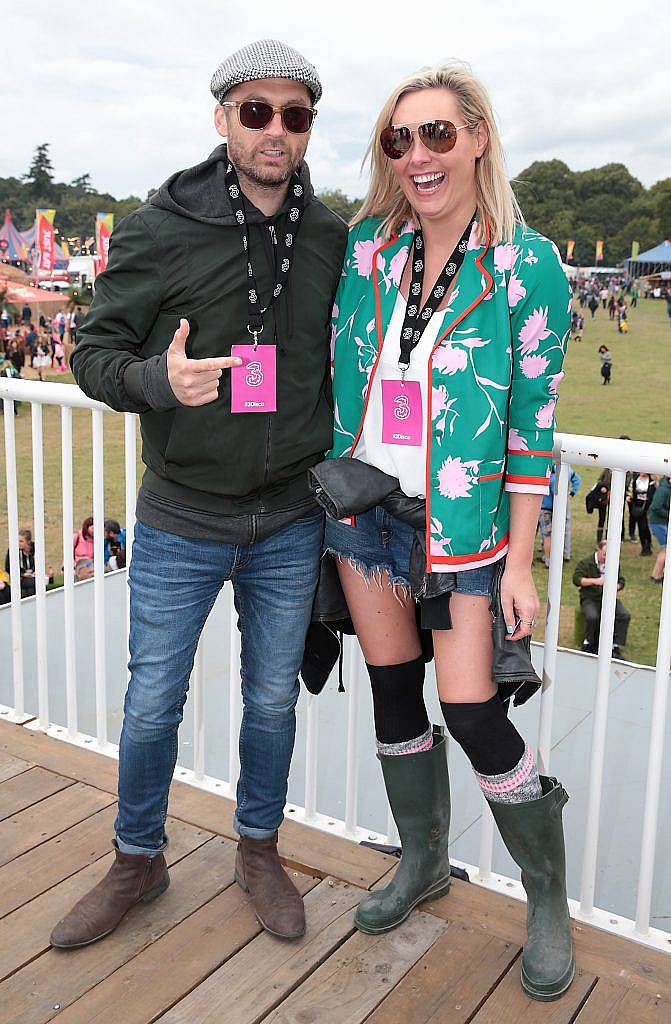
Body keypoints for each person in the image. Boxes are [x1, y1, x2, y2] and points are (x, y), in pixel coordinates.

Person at [52, 39, 346, 950]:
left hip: (290, 517)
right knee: (151, 703)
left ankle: (258, 848)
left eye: (293, 115)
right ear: (221, 117)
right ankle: (137, 857)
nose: (275, 131)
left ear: (306, 130)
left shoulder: (332, 236)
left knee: (269, 701)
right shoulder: (159, 227)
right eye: (255, 111)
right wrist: (154, 383)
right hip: (183, 514)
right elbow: (90, 352)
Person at [323, 62, 573, 1001]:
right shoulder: (366, 251)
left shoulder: (526, 262)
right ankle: (422, 862)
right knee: (395, 699)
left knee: (472, 712)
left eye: (435, 134)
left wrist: (520, 556)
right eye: (398, 139)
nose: (416, 156)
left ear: (475, 137)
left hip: (460, 529)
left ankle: (544, 899)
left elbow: (531, 424)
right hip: (366, 515)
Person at [573, 541, 630, 658]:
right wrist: (595, 581)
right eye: (604, 555)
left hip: (608, 598)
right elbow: (577, 580)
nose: (606, 558)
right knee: (592, 616)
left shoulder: (613, 563)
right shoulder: (586, 563)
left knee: (624, 615)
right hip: (590, 598)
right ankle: (588, 643)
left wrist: (616, 586)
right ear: (598, 551)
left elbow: (621, 581)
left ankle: (614, 645)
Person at [626, 471, 655, 555]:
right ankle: (644, 547)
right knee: (640, 527)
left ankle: (648, 546)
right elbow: (630, 491)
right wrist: (628, 497)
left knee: (644, 527)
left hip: (646, 507)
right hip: (636, 506)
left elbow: (653, 495)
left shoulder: (651, 482)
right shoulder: (635, 479)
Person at [648, 474, 670, 583]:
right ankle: (656, 576)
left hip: (662, 523)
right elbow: (655, 507)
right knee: (666, 549)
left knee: (665, 549)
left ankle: (657, 574)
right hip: (658, 523)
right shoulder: (663, 490)